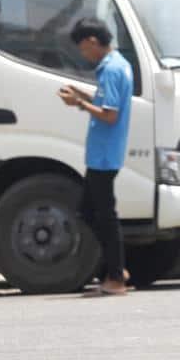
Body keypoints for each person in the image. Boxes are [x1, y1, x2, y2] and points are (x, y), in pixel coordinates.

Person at [57, 18, 133, 295]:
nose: (83, 54)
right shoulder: (117, 65)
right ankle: (117, 268)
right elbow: (104, 101)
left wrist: (78, 103)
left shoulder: (111, 70)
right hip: (103, 153)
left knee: (103, 216)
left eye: (83, 48)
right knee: (89, 211)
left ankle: (116, 277)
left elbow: (110, 115)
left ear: (91, 41)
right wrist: (82, 94)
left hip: (104, 154)